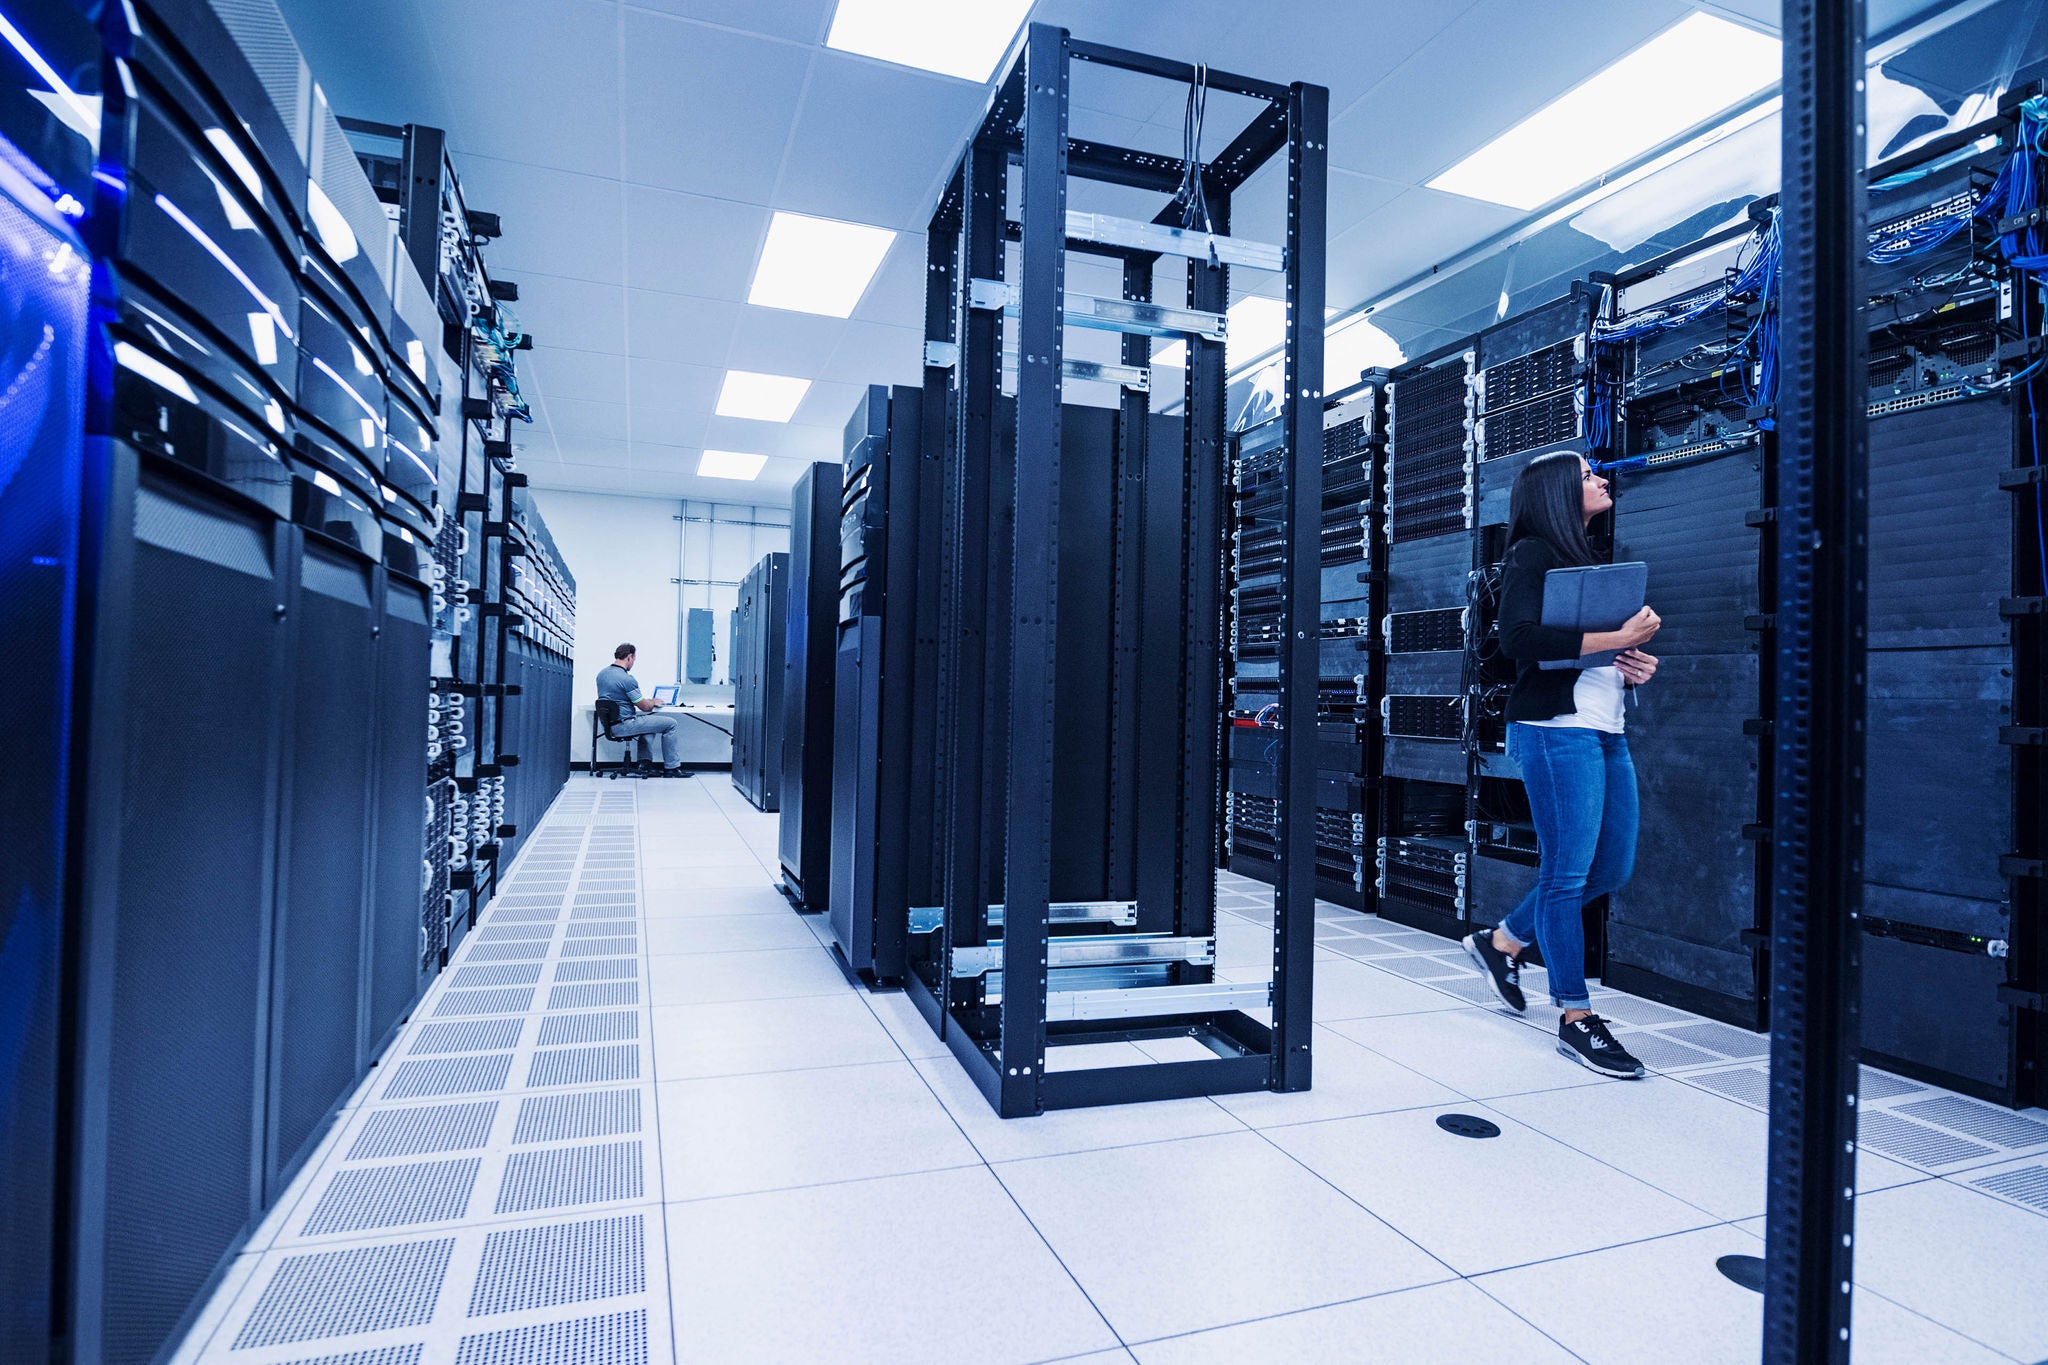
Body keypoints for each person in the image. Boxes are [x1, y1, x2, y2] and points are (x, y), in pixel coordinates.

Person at [1462, 452, 1662, 1079]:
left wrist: (1637, 667)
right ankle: (1576, 1018)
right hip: (1554, 733)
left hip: (1604, 729)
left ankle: (1502, 943)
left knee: (1611, 867)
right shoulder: (1531, 554)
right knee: (1567, 875)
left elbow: (1591, 657)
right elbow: (1517, 639)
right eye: (1588, 475)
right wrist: (1620, 639)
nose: (1602, 480)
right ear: (1556, 492)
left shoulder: (1589, 564)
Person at [596, 643, 684, 776]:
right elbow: (645, 707)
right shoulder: (626, 679)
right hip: (625, 724)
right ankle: (672, 768)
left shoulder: (602, 674)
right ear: (630, 657)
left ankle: (644, 764)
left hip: (610, 726)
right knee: (671, 724)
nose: (633, 663)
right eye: (634, 659)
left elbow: (620, 699)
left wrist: (645, 700)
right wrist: (653, 701)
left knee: (649, 725)